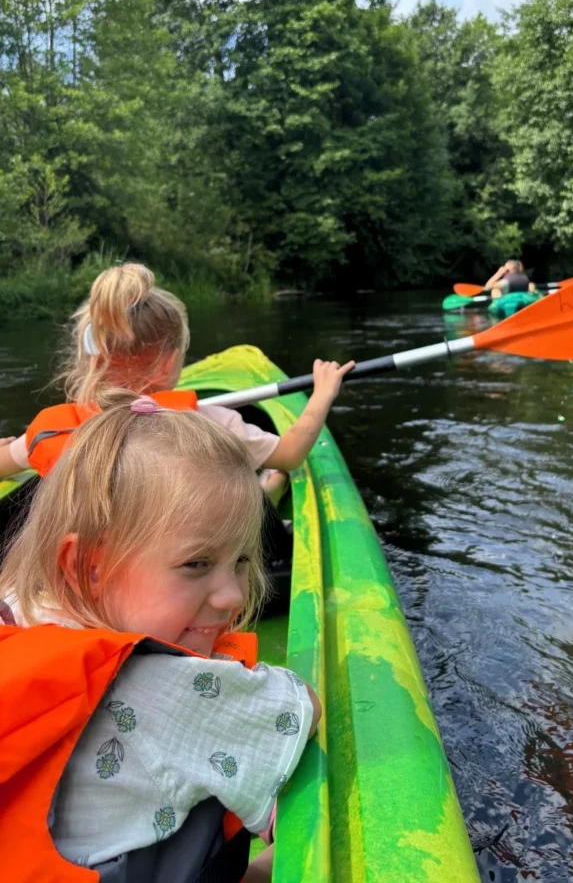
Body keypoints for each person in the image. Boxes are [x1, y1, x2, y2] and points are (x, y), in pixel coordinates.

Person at [0, 393, 321, 881]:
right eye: (197, 564)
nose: (233, 595)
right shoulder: (157, 686)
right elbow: (304, 708)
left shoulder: (17, 612)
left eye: (240, 560)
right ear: (86, 567)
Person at [0, 263, 353, 483]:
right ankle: (270, 485)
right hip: (173, 582)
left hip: (92, 581)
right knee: (257, 483)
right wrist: (322, 394)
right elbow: (290, 454)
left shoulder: (48, 430)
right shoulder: (211, 424)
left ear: (93, 357)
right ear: (170, 363)